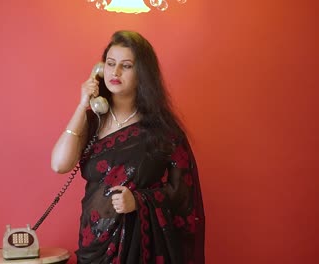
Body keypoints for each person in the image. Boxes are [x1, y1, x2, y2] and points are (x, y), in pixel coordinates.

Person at [51, 30, 205, 264]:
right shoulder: (93, 121)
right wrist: (83, 105)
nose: (116, 72)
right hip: (94, 242)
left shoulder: (162, 130)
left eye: (127, 66)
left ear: (143, 74)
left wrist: (139, 201)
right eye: (110, 64)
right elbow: (60, 164)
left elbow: (183, 195)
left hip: (141, 248)